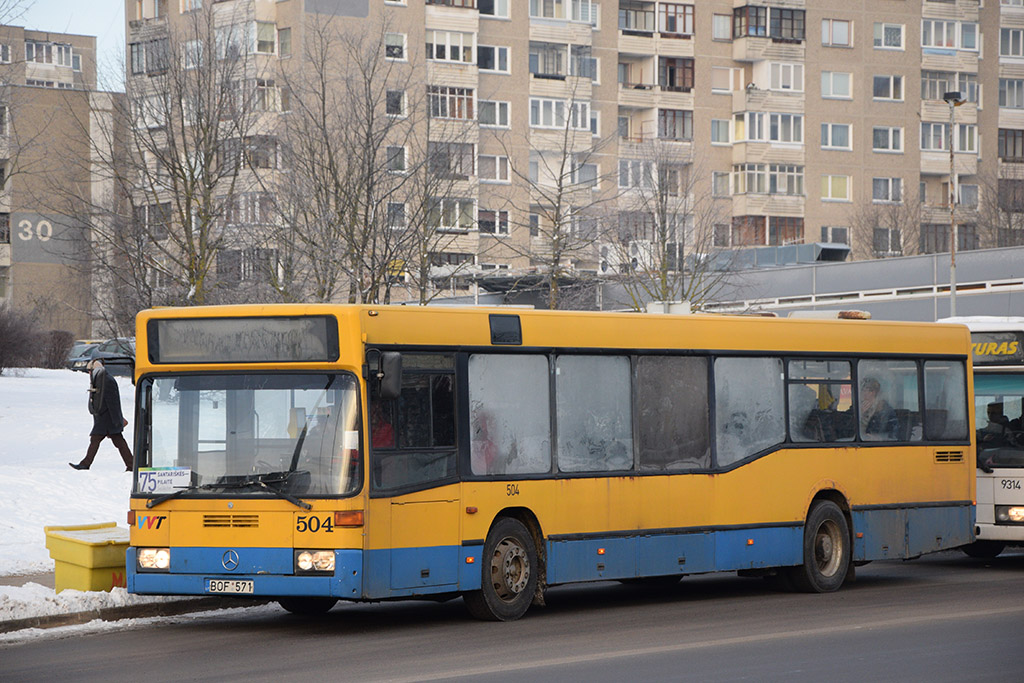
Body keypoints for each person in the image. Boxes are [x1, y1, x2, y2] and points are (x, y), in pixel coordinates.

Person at [70, 359, 134, 471]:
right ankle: (132, 465)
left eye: (90, 371)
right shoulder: (104, 379)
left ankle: (85, 464)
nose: (89, 373)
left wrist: (116, 420)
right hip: (106, 418)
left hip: (107, 419)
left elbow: (112, 402)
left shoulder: (106, 381)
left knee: (101, 440)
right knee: (117, 441)